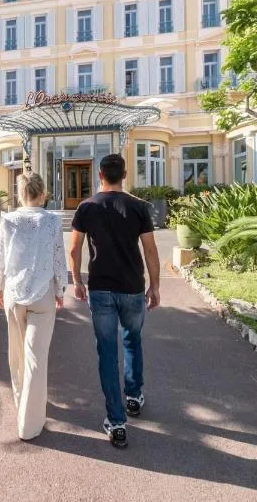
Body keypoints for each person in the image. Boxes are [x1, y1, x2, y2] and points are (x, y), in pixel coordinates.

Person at [69, 154, 160, 449]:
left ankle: (117, 421)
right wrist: (155, 286)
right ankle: (133, 397)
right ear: (125, 173)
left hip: (100, 289)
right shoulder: (139, 207)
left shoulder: (86, 207)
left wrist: (77, 281)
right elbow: (150, 250)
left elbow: (74, 250)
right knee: (132, 339)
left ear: (99, 174)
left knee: (107, 352)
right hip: (133, 287)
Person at [0, 172, 68, 441]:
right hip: (43, 295)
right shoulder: (52, 221)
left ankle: (21, 400)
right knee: (36, 358)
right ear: (42, 193)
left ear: (21, 194)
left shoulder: (8, 220)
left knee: (17, 352)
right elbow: (59, 258)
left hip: (14, 293)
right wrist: (61, 289)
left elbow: (0, 256)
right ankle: (29, 423)